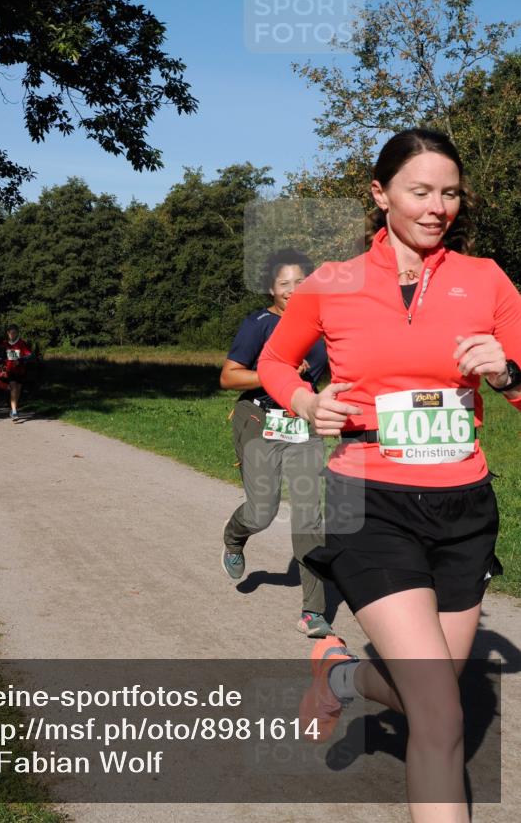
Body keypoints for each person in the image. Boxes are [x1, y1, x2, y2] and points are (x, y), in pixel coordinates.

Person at [257, 129, 521, 822]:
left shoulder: (487, 279)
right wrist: (308, 401)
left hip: (463, 507)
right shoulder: (332, 284)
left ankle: (341, 674)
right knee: (440, 712)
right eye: (421, 191)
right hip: (368, 498)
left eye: (451, 193)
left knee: (433, 698)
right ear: (380, 195)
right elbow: (276, 364)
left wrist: (505, 370)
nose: (439, 207)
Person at [220, 249, 333, 638]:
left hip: (302, 422)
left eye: (301, 282)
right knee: (262, 512)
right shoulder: (259, 324)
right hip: (258, 419)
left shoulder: (324, 326)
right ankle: (235, 538)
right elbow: (229, 377)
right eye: (285, 284)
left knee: (309, 515)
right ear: (271, 288)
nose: (293, 290)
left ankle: (313, 610)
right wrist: (274, 374)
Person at [0, 324, 33, 421]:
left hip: (20, 371)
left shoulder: (21, 343)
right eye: (10, 333)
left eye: (14, 333)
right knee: (13, 389)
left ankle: (13, 409)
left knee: (18, 390)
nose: (12, 335)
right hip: (10, 370)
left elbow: (29, 355)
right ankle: (14, 411)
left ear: (17, 333)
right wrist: (0, 363)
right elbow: (0, 356)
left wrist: (20, 360)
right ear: (7, 333)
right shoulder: (4, 344)